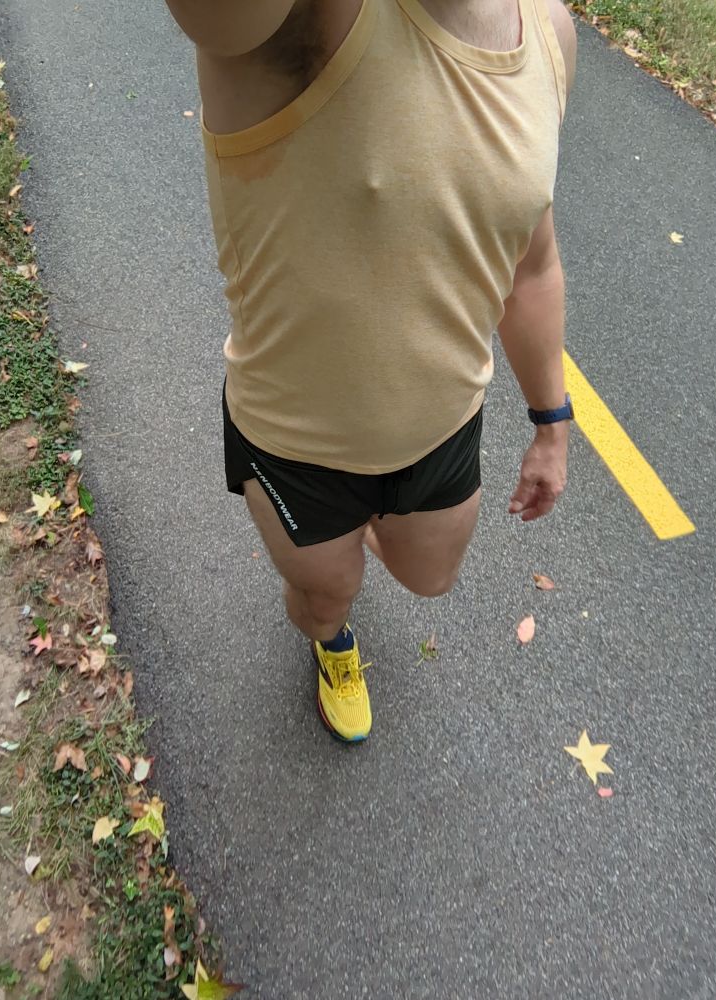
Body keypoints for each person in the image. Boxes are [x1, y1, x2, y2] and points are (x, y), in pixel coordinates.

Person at [164, 0, 577, 742]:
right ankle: (331, 643)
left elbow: (533, 262)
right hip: (296, 449)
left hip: (442, 431)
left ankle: (363, 534)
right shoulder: (299, 23)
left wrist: (553, 421)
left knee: (431, 578)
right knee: (326, 595)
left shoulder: (547, 32)